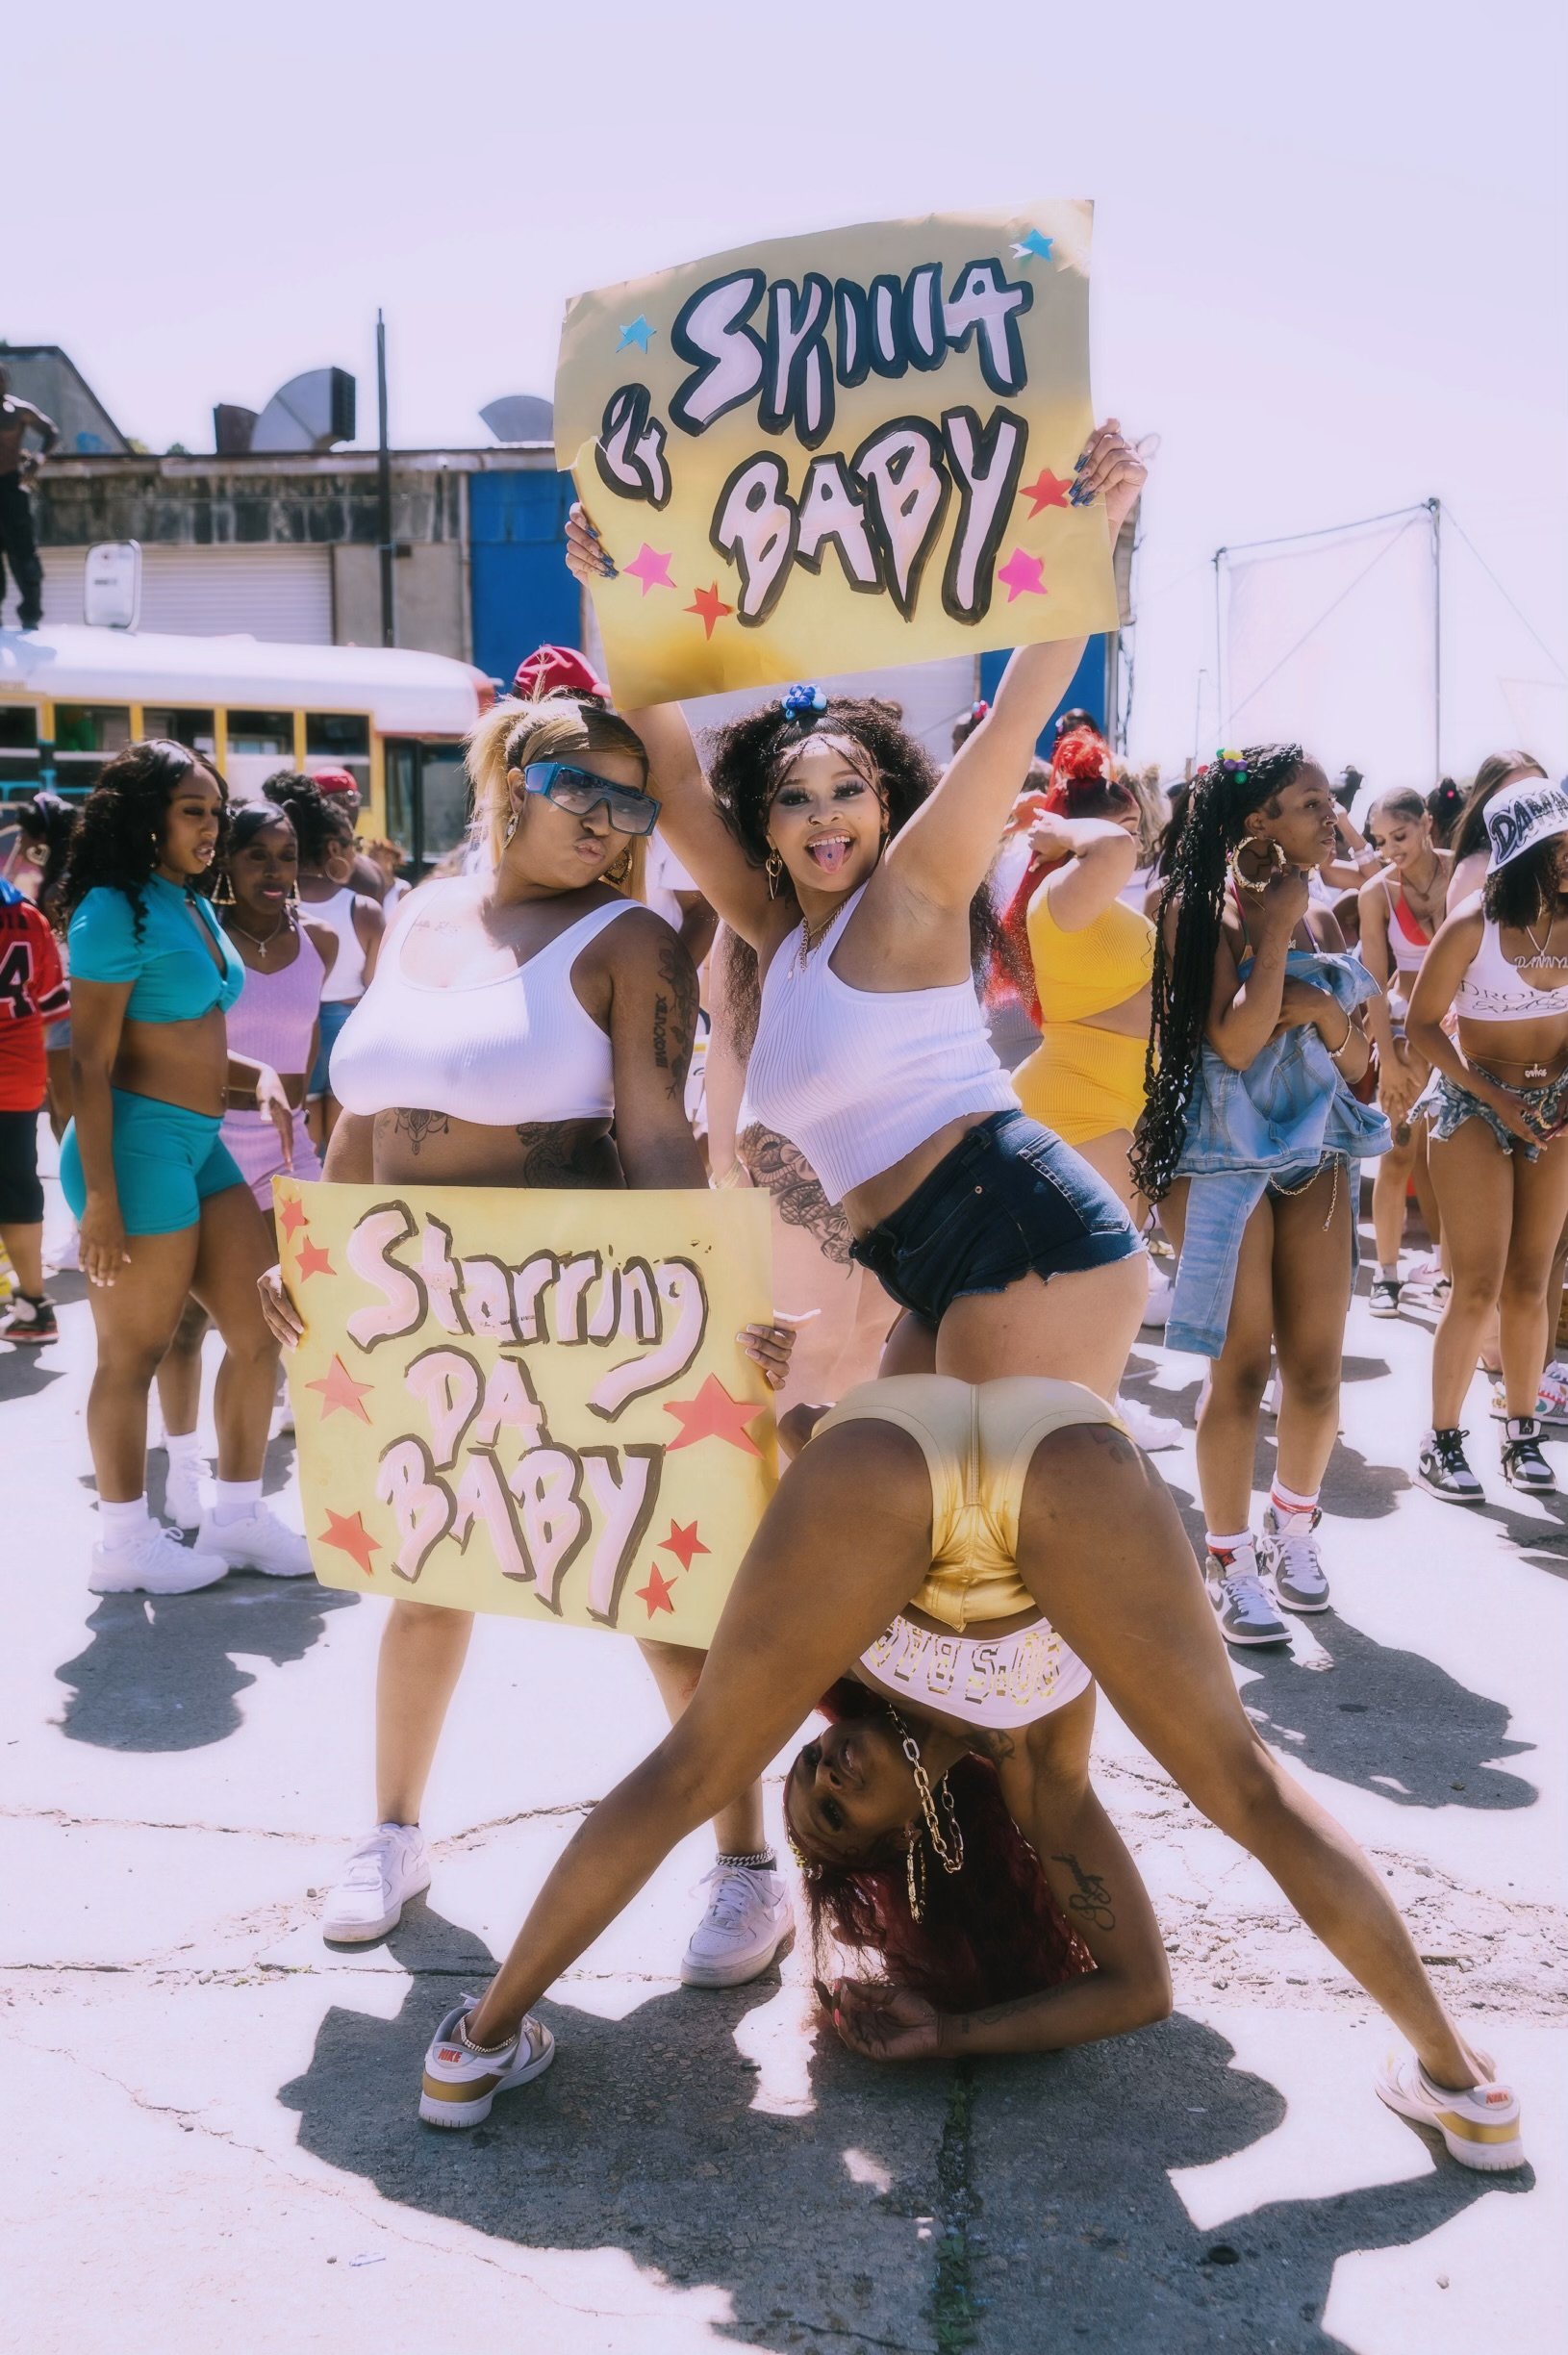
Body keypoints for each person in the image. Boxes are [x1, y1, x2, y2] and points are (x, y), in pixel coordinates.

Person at [419, 1373, 1522, 2179]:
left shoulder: (844, 1664)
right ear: (918, 1835)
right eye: (842, 1809)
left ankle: (478, 2041)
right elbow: (1141, 1990)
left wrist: (797, 1414)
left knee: (699, 1763)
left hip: (902, 1438)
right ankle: (1466, 2088)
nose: (829, 1770)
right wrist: (949, 2038)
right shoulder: (1041, 1776)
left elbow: (790, 1454)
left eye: (808, 1777)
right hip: (1063, 1457)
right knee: (1245, 1785)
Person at [258, 689, 799, 1988]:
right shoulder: (422, 914)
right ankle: (393, 1833)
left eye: (631, 804)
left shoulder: (631, 938)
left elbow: (659, 1135)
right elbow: (364, 1108)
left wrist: (711, 1298)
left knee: (660, 1592)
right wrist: (311, 1258)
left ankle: (745, 1861)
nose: (608, 822)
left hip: (582, 1312)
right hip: (411, 1312)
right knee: (425, 1571)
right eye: (581, 791)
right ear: (511, 782)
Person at [565, 421, 1151, 1404]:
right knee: (886, 1486)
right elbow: (673, 771)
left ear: (888, 809)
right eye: (794, 799)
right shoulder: (777, 933)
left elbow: (1016, 716)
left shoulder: (913, 895)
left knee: (997, 1499)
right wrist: (615, 592)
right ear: (765, 827)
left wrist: (1100, 529)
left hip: (1023, 1236)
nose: (825, 815)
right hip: (923, 1256)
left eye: (849, 792)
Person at [1132, 747, 1388, 1647]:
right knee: (1239, 1369)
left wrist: (1323, 1013)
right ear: (1257, 822)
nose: (1331, 818)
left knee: (1316, 1370)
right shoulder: (1191, 909)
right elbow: (1236, 1045)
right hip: (1219, 1157)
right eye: (1311, 804)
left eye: (1328, 802)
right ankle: (1231, 1558)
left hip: (1316, 1149)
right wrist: (1273, 940)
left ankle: (1295, 1526)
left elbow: (1360, 1068)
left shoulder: (1319, 907)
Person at [57, 741, 313, 1593]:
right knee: (133, 1352)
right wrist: (100, 1202)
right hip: (133, 1150)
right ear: (147, 819)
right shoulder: (112, 909)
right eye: (192, 811)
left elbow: (185, 1035)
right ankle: (122, 1543)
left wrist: (255, 1075)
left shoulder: (190, 902)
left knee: (261, 1326)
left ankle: (236, 1518)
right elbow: (90, 1063)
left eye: (215, 811)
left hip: (200, 1144)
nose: (211, 827)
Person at [152, 803, 338, 1528]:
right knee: (189, 1324)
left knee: (298, 1315)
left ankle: (257, 1494)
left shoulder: (320, 940)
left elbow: (308, 1053)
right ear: (227, 860)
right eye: (257, 854)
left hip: (290, 1157)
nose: (274, 870)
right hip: (211, 1146)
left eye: (286, 856)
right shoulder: (203, 938)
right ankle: (183, 1473)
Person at [1002, 735, 1176, 1448]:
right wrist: (1060, 828)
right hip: (1078, 1103)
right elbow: (1112, 850)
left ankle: (1095, 1409)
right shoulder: (1063, 894)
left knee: (1099, 1281)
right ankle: (1089, 1419)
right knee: (1104, 1280)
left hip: (1105, 1099)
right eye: (1121, 826)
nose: (1132, 841)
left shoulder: (1081, 899)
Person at [1407, 776, 1568, 1502]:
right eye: (1558, 847)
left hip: (1555, 1107)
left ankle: (1521, 1432)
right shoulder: (1472, 924)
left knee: (1532, 1282)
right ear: (1522, 851)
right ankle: (1442, 1441)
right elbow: (1420, 1027)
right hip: (1473, 1103)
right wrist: (1496, 1096)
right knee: (1476, 1285)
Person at [1356, 789, 1451, 1315]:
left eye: (1401, 835)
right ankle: (1387, 1275)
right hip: (1405, 1032)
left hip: (1461, 1032)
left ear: (1427, 824)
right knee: (1398, 1153)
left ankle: (1447, 1271)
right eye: (1381, 841)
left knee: (1448, 1159)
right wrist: (1387, 1062)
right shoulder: (1377, 892)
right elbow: (1372, 980)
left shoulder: (1465, 873)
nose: (1391, 849)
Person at [260, 772, 385, 1149]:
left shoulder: (275, 905)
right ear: (333, 847)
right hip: (349, 1026)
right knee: (343, 1141)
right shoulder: (363, 909)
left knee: (304, 1139)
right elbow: (375, 984)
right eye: (352, 844)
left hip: (293, 1026)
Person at [0, 872, 68, 1340]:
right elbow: (50, 1004)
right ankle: (33, 1305)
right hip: (20, 1072)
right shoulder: (27, 917)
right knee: (19, 1184)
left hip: (19, 1072)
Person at [4, 790, 78, 1135]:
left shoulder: (58, 888)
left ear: (44, 838)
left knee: (65, 1105)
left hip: (63, 1000)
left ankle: (76, 1167)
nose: (22, 841)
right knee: (61, 1106)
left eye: (28, 833)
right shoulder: (66, 877)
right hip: (58, 995)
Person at [0, 366, 59, 632]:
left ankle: (31, 615)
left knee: (24, 552)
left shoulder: (19, 411)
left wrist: (38, 459)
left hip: (11, 486)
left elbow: (51, 432)